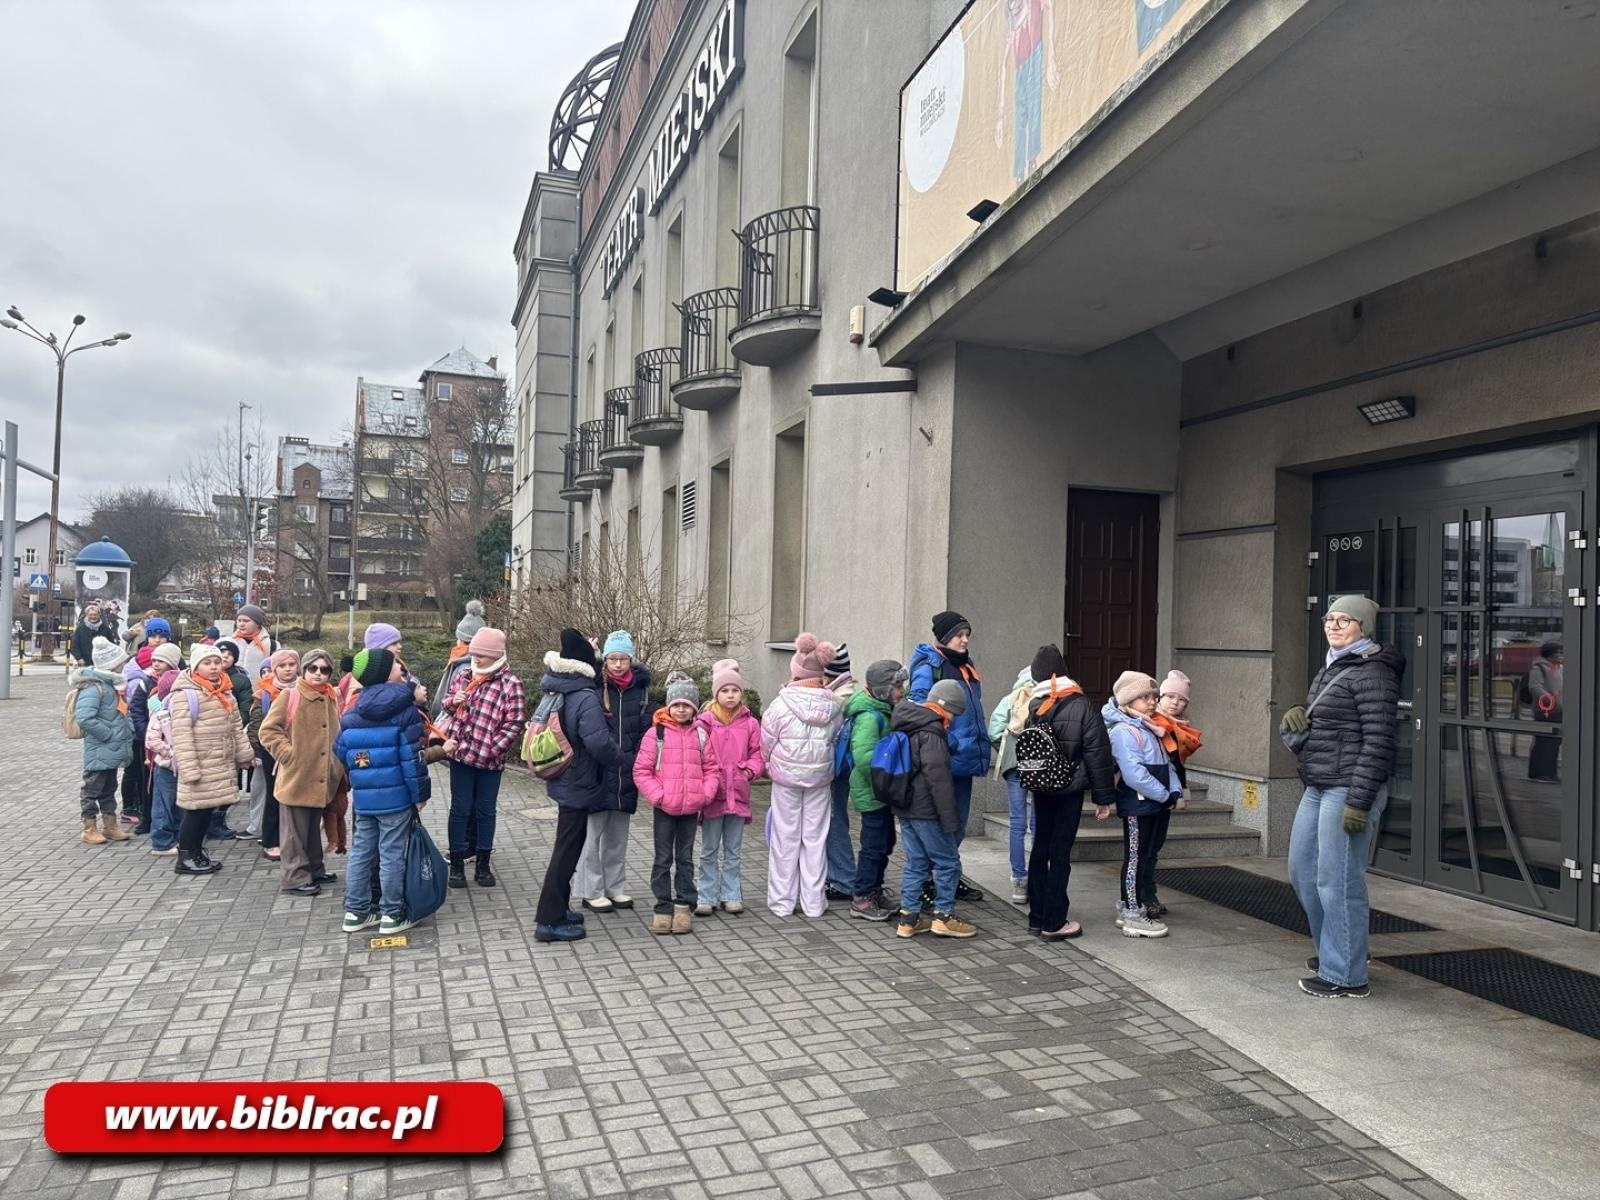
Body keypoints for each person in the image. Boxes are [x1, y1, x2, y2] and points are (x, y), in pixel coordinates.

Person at [1283, 596, 1403, 999]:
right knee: (1303, 870)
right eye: (1329, 619)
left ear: (1363, 626)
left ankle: (1347, 975)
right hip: (1319, 782)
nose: (1333, 626)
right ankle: (1337, 950)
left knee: (1338, 880)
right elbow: (1333, 720)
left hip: (1349, 787)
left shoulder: (1374, 673)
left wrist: (1359, 801)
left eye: (1344, 620)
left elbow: (1378, 741)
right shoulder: (1335, 664)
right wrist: (1299, 714)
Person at [1022, 645, 1116, 938]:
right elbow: (1097, 752)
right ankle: (1054, 922)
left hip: (1041, 788)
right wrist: (1103, 798)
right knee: (1060, 853)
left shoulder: (1036, 705)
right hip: (1069, 789)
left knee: (1040, 848)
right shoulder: (1082, 704)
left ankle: (1037, 917)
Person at [533, 629, 621, 943]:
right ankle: (549, 920)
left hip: (564, 778)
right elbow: (598, 743)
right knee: (566, 852)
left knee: (568, 848)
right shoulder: (584, 696)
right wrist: (621, 758)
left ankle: (557, 909)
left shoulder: (557, 687)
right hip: (578, 781)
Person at [335, 648, 429, 936]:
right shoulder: (404, 710)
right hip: (396, 799)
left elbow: (340, 750)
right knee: (391, 855)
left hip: (364, 800)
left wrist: (363, 770)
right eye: (396, 666)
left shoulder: (353, 711)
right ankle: (392, 914)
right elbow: (413, 758)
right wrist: (420, 795)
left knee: (361, 853)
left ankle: (356, 912)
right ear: (387, 673)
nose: (401, 669)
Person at [760, 633, 844, 918]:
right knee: (815, 839)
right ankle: (814, 903)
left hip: (786, 779)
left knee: (784, 838)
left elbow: (766, 743)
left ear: (795, 671)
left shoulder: (779, 705)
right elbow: (834, 740)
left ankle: (782, 903)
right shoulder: (834, 707)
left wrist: (770, 767)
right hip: (820, 779)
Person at [909, 613, 988, 904]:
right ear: (943, 637)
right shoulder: (929, 666)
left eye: (967, 634)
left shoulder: (966, 664)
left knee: (957, 825)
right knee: (940, 826)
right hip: (944, 760)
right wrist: (949, 743)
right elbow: (921, 711)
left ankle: (949, 877)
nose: (965, 640)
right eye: (958, 635)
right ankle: (930, 883)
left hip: (965, 759)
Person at [573, 630, 654, 912]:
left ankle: (614, 887)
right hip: (597, 772)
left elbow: (646, 730)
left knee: (618, 837)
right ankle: (590, 890)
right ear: (605, 660)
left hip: (626, 773)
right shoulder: (594, 686)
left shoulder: (641, 691)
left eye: (623, 659)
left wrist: (636, 760)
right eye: (612, 659)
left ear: (631, 660)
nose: (618, 664)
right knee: (592, 836)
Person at [439, 626, 525, 889]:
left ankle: (483, 864)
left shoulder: (510, 684)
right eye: (474, 653)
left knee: (486, 810)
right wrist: (454, 701)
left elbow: (515, 722)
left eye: (482, 655)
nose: (476, 659)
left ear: (496, 655)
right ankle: (456, 865)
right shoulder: (464, 675)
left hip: (490, 762)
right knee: (460, 809)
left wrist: (492, 748)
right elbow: (445, 704)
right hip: (461, 757)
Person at [634, 672, 720, 935]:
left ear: (694, 708)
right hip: (665, 808)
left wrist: (705, 794)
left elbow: (712, 769)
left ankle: (683, 906)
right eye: (677, 704)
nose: (681, 709)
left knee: (685, 858)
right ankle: (663, 907)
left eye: (687, 705)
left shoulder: (701, 735)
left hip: (691, 808)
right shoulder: (655, 734)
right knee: (662, 859)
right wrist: (658, 796)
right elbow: (642, 771)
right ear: (669, 706)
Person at [892, 678, 977, 939]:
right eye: (954, 714)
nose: (952, 720)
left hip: (906, 806)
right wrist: (950, 818)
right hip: (926, 809)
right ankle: (944, 917)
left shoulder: (910, 723)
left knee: (916, 863)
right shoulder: (932, 732)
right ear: (946, 707)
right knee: (948, 862)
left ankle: (908, 919)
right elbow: (937, 779)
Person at [1102, 671, 1183, 939]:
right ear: (1129, 700)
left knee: (1146, 855)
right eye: (1144, 697)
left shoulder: (1150, 727)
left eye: (1153, 696)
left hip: (1156, 803)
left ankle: (1132, 906)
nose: (1152, 702)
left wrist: (1174, 790)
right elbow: (1134, 774)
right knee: (1135, 858)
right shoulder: (1123, 731)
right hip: (1138, 806)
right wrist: (1164, 795)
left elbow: (1166, 764)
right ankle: (1131, 913)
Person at [259, 648, 343, 898]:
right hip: (297, 776)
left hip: (321, 776)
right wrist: (289, 755)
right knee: (294, 833)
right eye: (312, 668)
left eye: (324, 669)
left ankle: (314, 869)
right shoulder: (290, 695)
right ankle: (294, 878)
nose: (318, 673)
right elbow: (267, 731)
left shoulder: (329, 696)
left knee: (311, 828)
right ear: (304, 670)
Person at [168, 644, 256, 876]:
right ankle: (186, 855)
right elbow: (182, 736)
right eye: (207, 663)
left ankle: (197, 852)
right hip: (200, 762)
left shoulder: (226, 692)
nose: (214, 667)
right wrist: (190, 769)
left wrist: (244, 754)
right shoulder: (185, 695)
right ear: (196, 667)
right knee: (195, 811)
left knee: (207, 810)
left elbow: (236, 726)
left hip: (220, 762)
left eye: (217, 662)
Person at [695, 659, 764, 916]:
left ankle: (731, 894)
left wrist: (748, 772)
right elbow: (697, 754)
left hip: (738, 792)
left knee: (733, 850)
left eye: (735, 690)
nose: (730, 695)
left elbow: (757, 754)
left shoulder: (750, 723)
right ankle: (706, 895)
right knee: (709, 849)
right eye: (725, 690)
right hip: (713, 794)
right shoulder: (704, 723)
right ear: (716, 693)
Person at [846, 660, 906, 922]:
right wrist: (892, 760)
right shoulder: (869, 717)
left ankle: (875, 890)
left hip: (881, 791)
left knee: (885, 842)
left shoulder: (883, 710)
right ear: (883, 690)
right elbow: (863, 757)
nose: (902, 691)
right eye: (897, 686)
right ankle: (862, 897)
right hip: (872, 792)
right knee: (873, 846)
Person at [1148, 670, 1203, 918]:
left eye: (1181, 700)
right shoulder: (1153, 723)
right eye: (1170, 696)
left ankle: (1149, 894)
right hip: (1149, 793)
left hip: (1167, 794)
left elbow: (1178, 763)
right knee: (1145, 850)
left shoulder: (1178, 728)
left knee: (1154, 847)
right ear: (1159, 697)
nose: (1175, 703)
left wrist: (1182, 791)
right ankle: (1141, 898)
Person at [71, 637, 135, 845]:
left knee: (109, 787)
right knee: (92, 788)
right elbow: (85, 718)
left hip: (111, 747)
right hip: (101, 747)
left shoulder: (112, 685)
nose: (124, 664)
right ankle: (89, 828)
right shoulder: (94, 687)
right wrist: (108, 734)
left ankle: (110, 825)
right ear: (112, 664)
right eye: (121, 661)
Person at [989, 665, 1039, 904]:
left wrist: (1006, 750)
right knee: (1038, 822)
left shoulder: (1008, 700)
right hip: (1039, 766)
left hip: (1015, 766)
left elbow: (993, 731)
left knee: (1017, 823)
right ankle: (1039, 876)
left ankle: (1019, 881)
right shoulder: (1045, 698)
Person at [249, 649, 302, 862]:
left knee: (296, 795)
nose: (288, 669)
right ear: (274, 669)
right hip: (273, 751)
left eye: (291, 665)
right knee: (274, 795)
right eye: (282, 666)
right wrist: (258, 750)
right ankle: (271, 840)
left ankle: (293, 838)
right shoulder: (264, 694)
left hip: (300, 749)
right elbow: (257, 724)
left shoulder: (305, 688)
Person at [821, 644, 858, 902]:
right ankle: (837, 875)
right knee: (835, 821)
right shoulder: (844, 691)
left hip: (835, 770)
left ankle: (844, 880)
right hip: (838, 769)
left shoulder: (837, 698)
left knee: (834, 823)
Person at [143, 643, 185, 856]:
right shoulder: (159, 711)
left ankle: (175, 836)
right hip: (166, 764)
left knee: (177, 803)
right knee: (163, 804)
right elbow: (151, 739)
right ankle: (161, 841)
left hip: (181, 763)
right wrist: (169, 752)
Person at [1526, 641, 1563, 782]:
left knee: (1554, 743)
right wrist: (1550, 700)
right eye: (1557, 652)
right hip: (1545, 711)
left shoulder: (1558, 668)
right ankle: (1539, 773)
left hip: (1558, 710)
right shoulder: (1539, 667)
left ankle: (1549, 772)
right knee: (1544, 742)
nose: (1560, 655)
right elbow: (1535, 687)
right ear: (1549, 654)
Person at [232, 604, 276, 679]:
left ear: (257, 623)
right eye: (239, 620)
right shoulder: (231, 642)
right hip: (233, 686)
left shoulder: (271, 645)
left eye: (246, 621)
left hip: (260, 686)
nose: (241, 624)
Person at [70, 602, 115, 667]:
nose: (93, 617)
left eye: (95, 614)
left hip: (102, 662)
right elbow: (74, 645)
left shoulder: (106, 629)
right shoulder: (80, 629)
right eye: (91, 614)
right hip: (84, 662)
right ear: (87, 615)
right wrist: (79, 658)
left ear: (99, 615)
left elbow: (111, 645)